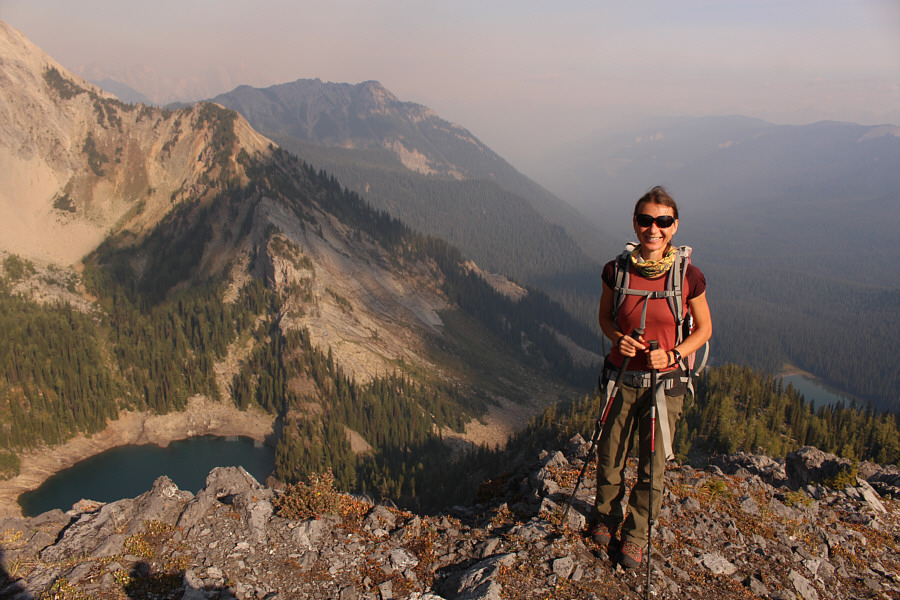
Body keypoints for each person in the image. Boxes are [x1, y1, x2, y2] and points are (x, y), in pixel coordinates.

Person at [589, 185, 712, 569]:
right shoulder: (615, 271)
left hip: (666, 383)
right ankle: (606, 517)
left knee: (652, 464)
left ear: (674, 226)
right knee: (610, 455)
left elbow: (704, 329)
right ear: (635, 223)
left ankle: (636, 534)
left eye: (662, 221)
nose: (653, 228)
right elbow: (605, 318)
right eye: (646, 220)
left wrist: (674, 354)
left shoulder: (689, 277)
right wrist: (618, 339)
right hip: (622, 377)